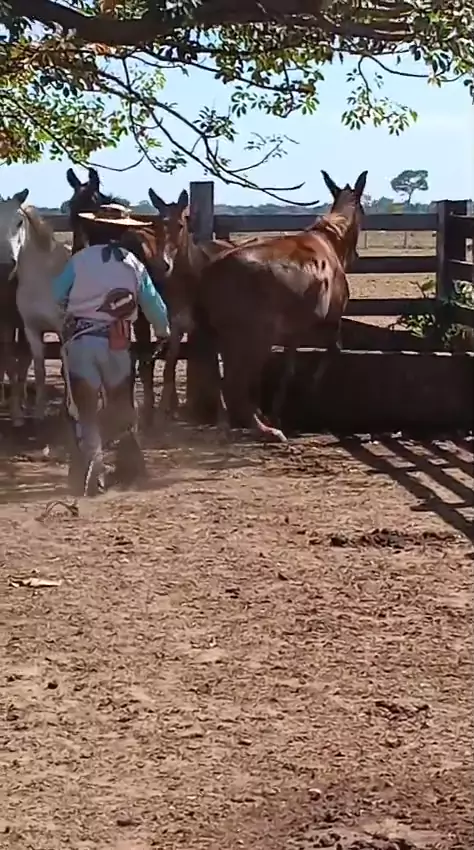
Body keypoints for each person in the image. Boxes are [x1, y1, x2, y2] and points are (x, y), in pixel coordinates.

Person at [51, 206, 170, 495]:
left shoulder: (79, 261)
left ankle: (91, 467)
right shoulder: (133, 264)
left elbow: (56, 295)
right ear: (123, 231)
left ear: (91, 230)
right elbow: (152, 303)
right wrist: (162, 331)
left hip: (81, 342)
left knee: (85, 409)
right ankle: (125, 465)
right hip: (118, 343)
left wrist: (68, 311)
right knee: (119, 404)